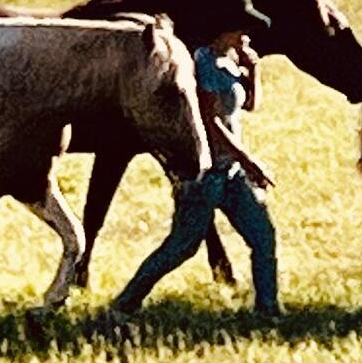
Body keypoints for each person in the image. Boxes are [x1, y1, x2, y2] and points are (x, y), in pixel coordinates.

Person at [111, 25, 278, 317]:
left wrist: (253, 71)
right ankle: (124, 304)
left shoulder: (230, 62)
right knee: (182, 246)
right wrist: (248, 159)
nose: (248, 35)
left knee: (263, 237)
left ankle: (268, 310)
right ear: (224, 29)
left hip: (231, 171)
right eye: (242, 28)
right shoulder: (201, 64)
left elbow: (249, 106)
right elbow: (209, 122)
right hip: (204, 174)